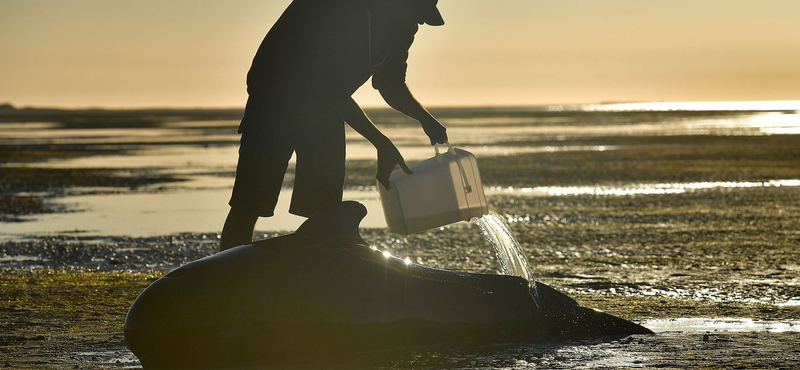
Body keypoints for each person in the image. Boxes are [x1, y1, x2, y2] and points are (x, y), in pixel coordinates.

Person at [220, 0, 448, 251]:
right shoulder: (338, 10)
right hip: (273, 100)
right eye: (417, 13)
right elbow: (326, 89)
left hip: (324, 111)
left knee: (323, 211)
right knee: (249, 205)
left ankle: (313, 280)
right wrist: (381, 142)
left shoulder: (401, 28)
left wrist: (425, 119)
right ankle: (224, 276)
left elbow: (390, 83)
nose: (421, 22)